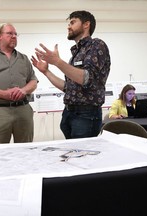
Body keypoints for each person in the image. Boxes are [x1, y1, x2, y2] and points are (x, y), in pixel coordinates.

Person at [31, 10, 111, 139]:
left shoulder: (96, 45)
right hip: (69, 112)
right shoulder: (76, 53)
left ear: (86, 25)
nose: (68, 26)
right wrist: (46, 72)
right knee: (73, 155)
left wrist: (57, 61)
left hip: (86, 114)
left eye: (73, 22)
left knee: (82, 156)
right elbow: (68, 87)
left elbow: (86, 78)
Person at [0, 23, 38, 144]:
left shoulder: (24, 59)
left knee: (26, 151)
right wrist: (4, 94)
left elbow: (33, 81)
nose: (14, 36)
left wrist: (23, 90)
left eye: (15, 34)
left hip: (23, 110)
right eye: (10, 33)